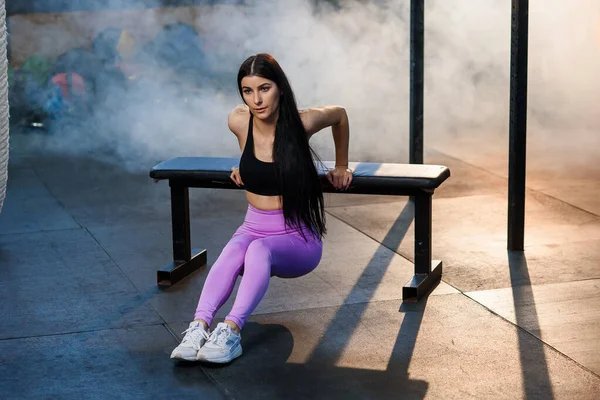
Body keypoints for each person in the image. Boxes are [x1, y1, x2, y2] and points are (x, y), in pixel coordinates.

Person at [170, 53, 353, 364]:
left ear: (280, 87)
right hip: (253, 226)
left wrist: (341, 165)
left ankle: (231, 331)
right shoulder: (239, 122)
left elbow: (340, 115)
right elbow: (254, 156)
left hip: (298, 238)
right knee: (233, 249)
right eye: (248, 90)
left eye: (264, 88)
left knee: (257, 250)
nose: (256, 99)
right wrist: (244, 166)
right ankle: (199, 327)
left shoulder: (302, 122)